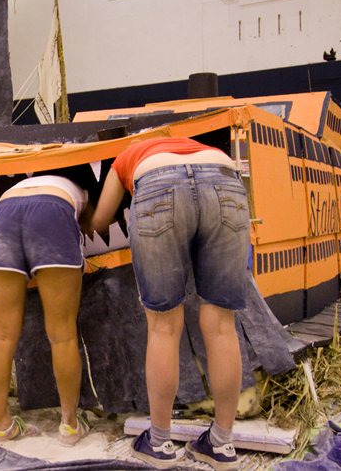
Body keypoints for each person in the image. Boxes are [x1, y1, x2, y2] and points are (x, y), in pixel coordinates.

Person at [91, 137, 249, 471]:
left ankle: (159, 443)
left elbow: (100, 221)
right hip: (225, 181)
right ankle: (221, 444)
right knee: (222, 325)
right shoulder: (195, 145)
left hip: (157, 186)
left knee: (163, 326)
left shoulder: (125, 157)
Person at [0, 175, 91, 446]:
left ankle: (0, 425)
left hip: (3, 214)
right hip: (53, 212)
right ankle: (69, 425)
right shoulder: (83, 193)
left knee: (3, 335)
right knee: (62, 334)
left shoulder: (19, 187)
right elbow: (93, 227)